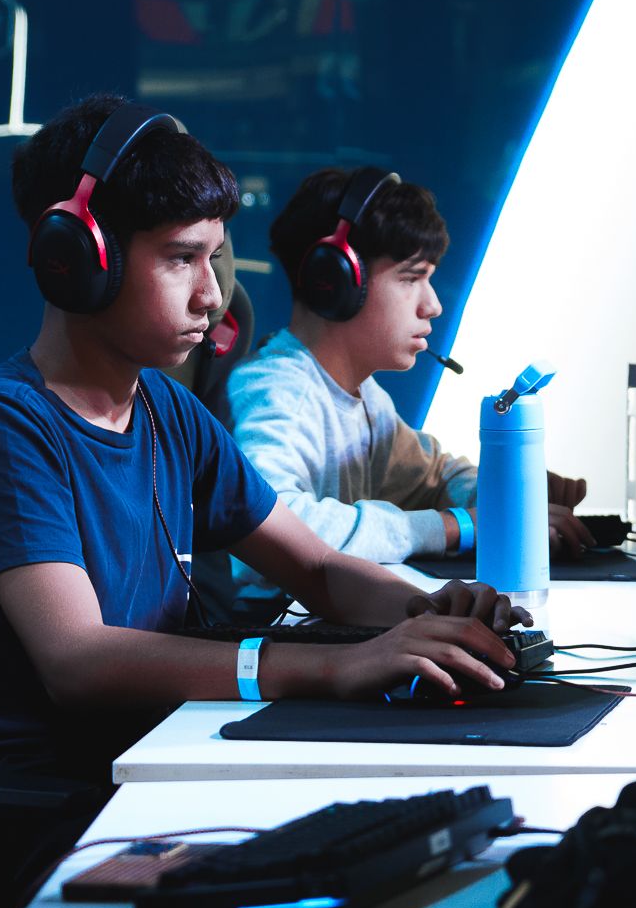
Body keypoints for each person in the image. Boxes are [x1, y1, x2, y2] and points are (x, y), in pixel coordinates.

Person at [0, 97, 530, 787]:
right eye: (181, 259)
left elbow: (316, 569)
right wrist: (336, 663)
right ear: (79, 258)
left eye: (214, 258)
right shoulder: (7, 429)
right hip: (27, 806)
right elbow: (78, 661)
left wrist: (431, 613)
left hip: (147, 761)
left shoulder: (168, 409)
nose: (211, 295)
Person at [205, 165, 592, 621]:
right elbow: (282, 526)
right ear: (335, 281)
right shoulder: (275, 389)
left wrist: (510, 495)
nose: (433, 305)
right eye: (410, 278)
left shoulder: (366, 399)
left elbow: (437, 475)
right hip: (263, 633)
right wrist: (456, 527)